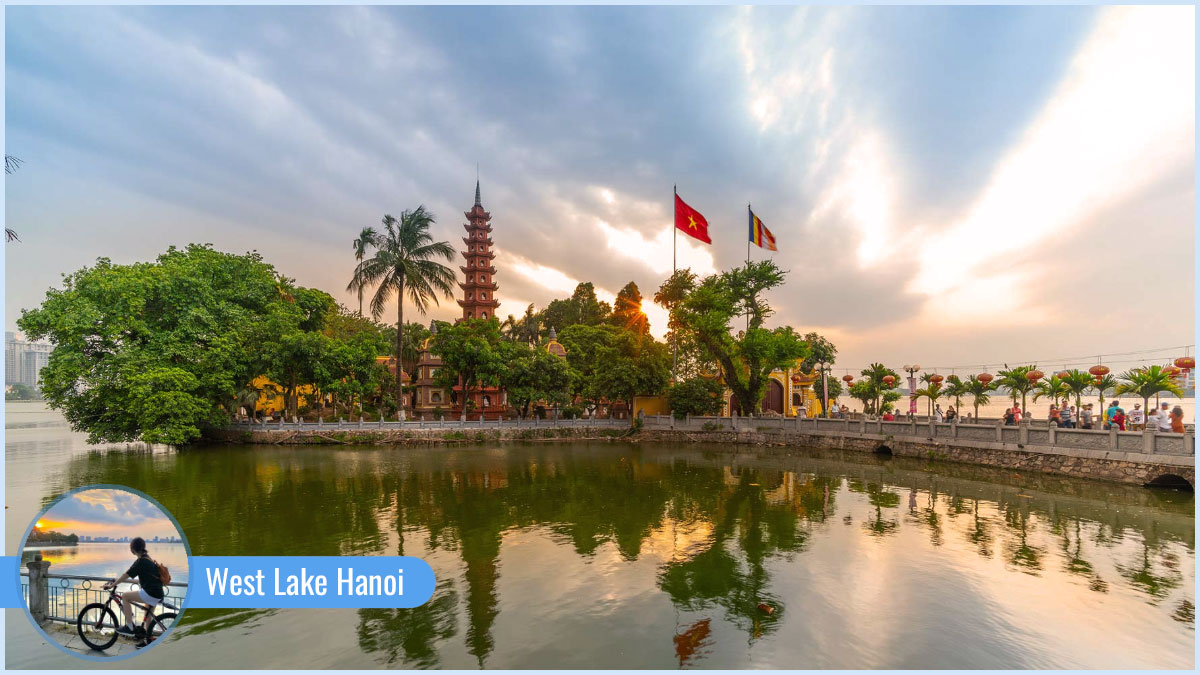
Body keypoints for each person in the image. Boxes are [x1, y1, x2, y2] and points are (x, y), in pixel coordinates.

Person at [103, 537, 165, 639]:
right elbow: (139, 578)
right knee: (148, 617)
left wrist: (111, 585)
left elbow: (126, 575)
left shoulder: (140, 561)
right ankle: (147, 640)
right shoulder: (147, 558)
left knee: (125, 596)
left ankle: (129, 627)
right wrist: (116, 579)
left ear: (132, 550)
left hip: (151, 593)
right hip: (157, 592)